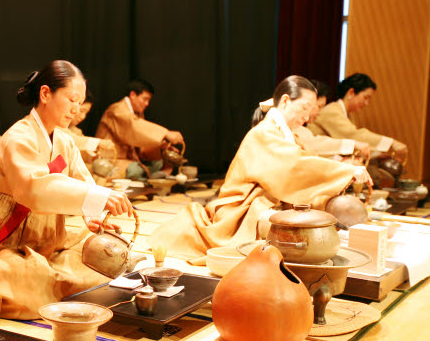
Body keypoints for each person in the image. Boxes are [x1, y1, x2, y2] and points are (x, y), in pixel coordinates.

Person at [0, 60, 133, 319]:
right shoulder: (18, 137)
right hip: (4, 232)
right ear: (46, 93)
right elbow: (34, 189)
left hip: (48, 234)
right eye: (71, 99)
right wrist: (99, 197)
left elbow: (82, 180)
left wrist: (93, 215)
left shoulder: (64, 140)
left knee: (98, 258)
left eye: (79, 102)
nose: (76, 109)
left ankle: (48, 271)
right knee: (15, 278)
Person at [149, 76, 372, 260]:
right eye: (304, 108)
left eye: (311, 111)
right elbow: (295, 166)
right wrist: (347, 171)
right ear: (285, 102)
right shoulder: (265, 133)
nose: (307, 117)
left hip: (269, 201)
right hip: (243, 209)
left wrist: (343, 170)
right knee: (294, 234)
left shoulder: (286, 134)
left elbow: (302, 165)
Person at [307, 73, 407, 163]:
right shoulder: (332, 110)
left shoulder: (347, 114)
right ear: (351, 93)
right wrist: (391, 143)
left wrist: (378, 155)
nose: (366, 103)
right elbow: (354, 135)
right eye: (365, 97)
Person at [95, 79, 184, 179]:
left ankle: (154, 176)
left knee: (158, 163)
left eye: (148, 100)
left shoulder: (138, 114)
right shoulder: (116, 109)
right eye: (145, 99)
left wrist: (163, 147)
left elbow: (142, 143)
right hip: (111, 160)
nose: (147, 104)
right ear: (133, 95)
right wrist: (166, 133)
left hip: (130, 160)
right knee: (136, 170)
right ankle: (152, 177)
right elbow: (133, 127)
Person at [293, 79, 370, 160]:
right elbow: (316, 144)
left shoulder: (302, 129)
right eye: (319, 107)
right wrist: (353, 144)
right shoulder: (332, 110)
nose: (320, 112)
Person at [58, 91, 115, 164]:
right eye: (82, 111)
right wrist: (98, 143)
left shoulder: (77, 131)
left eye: (86, 113)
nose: (83, 117)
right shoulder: (55, 124)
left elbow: (82, 152)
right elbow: (71, 140)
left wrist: (96, 154)